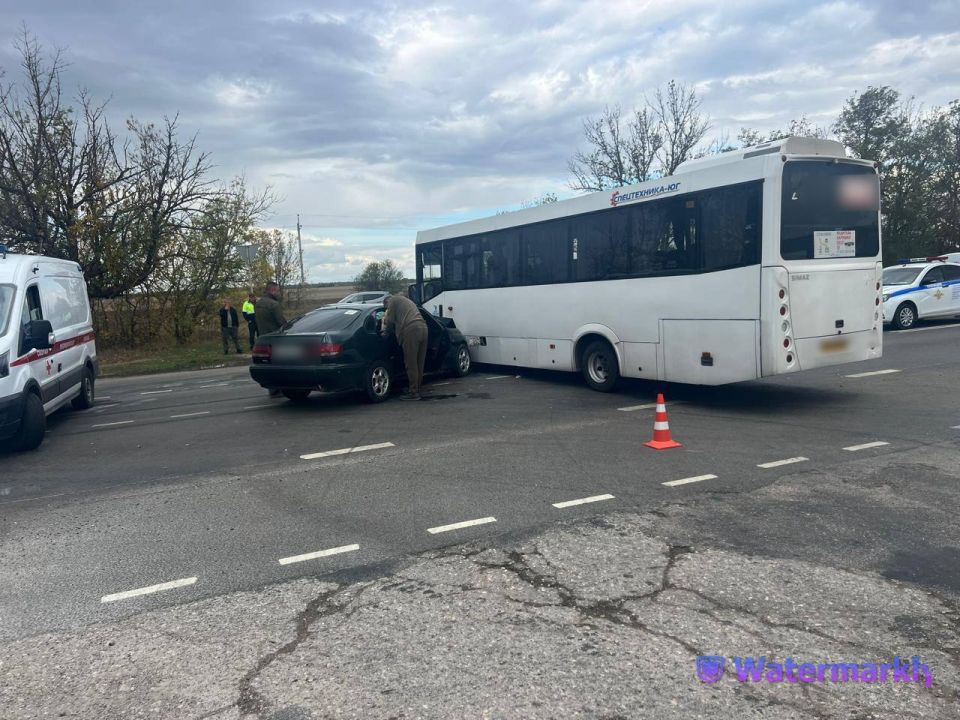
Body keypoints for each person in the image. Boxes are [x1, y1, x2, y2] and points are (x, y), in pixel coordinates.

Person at [381, 293, 428, 400]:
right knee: (419, 363)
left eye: (386, 307)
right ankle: (416, 388)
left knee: (410, 363)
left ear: (386, 302)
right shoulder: (406, 301)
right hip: (423, 328)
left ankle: (413, 393)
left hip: (411, 330)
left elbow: (389, 320)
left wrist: (384, 331)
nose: (387, 308)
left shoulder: (393, 301)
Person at [255, 282, 287, 396]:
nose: (278, 293)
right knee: (281, 363)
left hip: (263, 337)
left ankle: (272, 388)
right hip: (275, 338)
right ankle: (281, 388)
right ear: (272, 290)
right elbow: (281, 322)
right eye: (277, 291)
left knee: (268, 363)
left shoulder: (258, 303)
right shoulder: (274, 304)